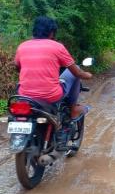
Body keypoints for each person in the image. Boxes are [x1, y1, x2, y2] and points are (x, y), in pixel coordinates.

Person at [14, 16, 93, 150]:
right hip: (50, 95)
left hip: (24, 96)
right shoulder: (57, 47)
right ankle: (73, 107)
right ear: (52, 32)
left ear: (34, 31)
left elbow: (17, 67)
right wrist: (87, 75)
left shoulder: (22, 46)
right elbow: (76, 73)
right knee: (76, 71)